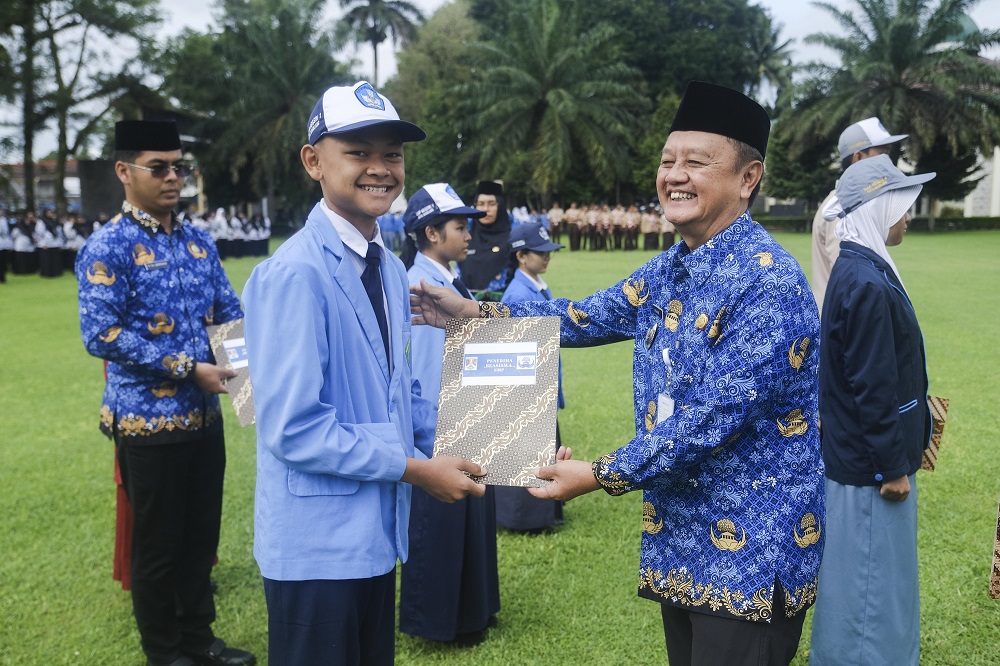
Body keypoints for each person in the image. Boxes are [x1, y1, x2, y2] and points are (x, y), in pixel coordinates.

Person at [413, 81, 824, 666]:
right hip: (682, 535)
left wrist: (600, 474)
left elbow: (709, 419)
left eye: (696, 162)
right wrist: (479, 312)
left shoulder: (770, 283)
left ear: (748, 178)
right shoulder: (672, 266)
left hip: (751, 552)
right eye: (666, 161)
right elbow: (584, 316)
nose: (674, 175)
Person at [241, 81, 486, 666]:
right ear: (313, 162)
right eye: (358, 151)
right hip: (315, 549)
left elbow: (402, 398)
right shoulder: (295, 274)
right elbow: (295, 429)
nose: (380, 169)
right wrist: (417, 469)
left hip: (374, 538)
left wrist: (499, 449)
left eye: (393, 154)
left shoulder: (388, 268)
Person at [75, 119, 253, 666]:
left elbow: (228, 314)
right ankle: (166, 652)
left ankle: (200, 641)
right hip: (147, 425)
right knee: (158, 548)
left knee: (200, 540)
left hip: (204, 420)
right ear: (124, 172)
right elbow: (101, 333)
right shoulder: (108, 246)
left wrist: (249, 393)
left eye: (180, 166)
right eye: (160, 167)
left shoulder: (198, 240)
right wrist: (185, 367)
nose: (174, 177)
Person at [808, 155, 935, 666]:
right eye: (901, 206)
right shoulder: (863, 281)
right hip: (869, 471)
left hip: (864, 462)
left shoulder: (860, 268)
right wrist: (892, 465)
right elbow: (872, 385)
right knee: (868, 586)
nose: (908, 217)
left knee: (878, 581)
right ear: (879, 209)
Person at [397, 182, 501, 645]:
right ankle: (441, 621)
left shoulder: (447, 279)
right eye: (461, 226)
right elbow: (421, 372)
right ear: (432, 233)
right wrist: (439, 436)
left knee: (470, 519)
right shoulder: (421, 286)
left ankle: (473, 611)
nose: (469, 235)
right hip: (442, 425)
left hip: (466, 417)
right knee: (440, 523)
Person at [493, 221, 567, 532]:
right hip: (528, 385)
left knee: (544, 447)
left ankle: (548, 511)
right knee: (525, 452)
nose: (547, 257)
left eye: (548, 251)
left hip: (542, 380)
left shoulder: (534, 285)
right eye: (540, 252)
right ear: (521, 256)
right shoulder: (518, 293)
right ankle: (523, 519)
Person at [812, 117, 907, 311]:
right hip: (844, 324)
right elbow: (850, 280)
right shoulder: (842, 208)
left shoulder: (851, 203)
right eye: (882, 154)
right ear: (858, 157)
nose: (887, 162)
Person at [457, 180, 512, 296]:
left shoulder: (512, 237)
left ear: (500, 206)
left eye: (491, 204)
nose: (486, 209)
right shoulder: (466, 235)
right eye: (481, 204)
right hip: (466, 305)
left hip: (501, 307)